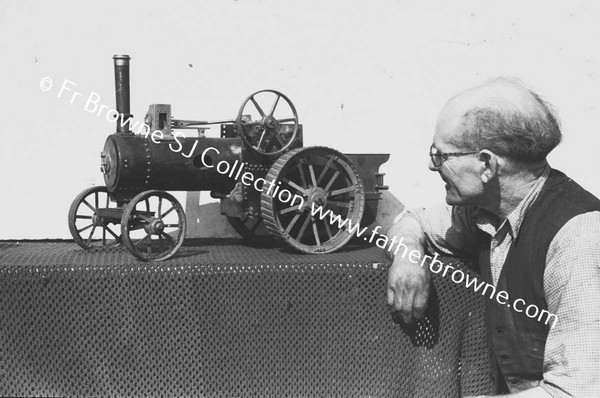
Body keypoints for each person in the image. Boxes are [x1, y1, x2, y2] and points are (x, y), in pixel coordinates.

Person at [386, 77, 600, 397]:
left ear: (486, 164)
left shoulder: (578, 237)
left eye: (441, 155)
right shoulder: (486, 210)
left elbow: (578, 391)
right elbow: (413, 220)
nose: (432, 167)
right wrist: (408, 256)